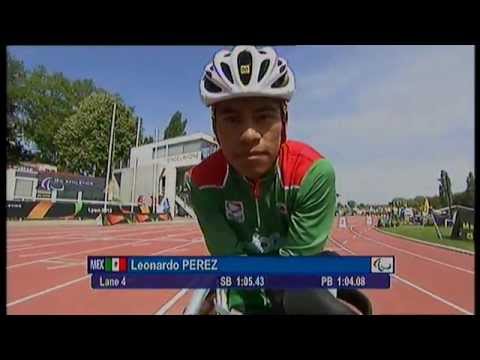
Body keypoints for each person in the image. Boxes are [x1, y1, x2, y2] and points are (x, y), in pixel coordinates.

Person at [186, 46, 339, 314]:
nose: (248, 135)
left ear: (284, 120)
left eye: (264, 116)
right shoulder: (202, 182)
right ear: (215, 130)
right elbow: (231, 260)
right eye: (232, 119)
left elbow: (291, 273)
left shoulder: (313, 174)